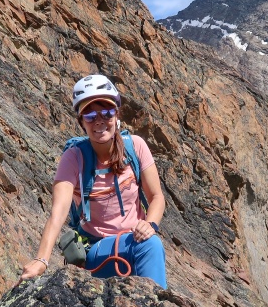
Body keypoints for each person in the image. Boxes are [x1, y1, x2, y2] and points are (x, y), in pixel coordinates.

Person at [20, 75, 167, 288]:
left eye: (106, 111)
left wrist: (150, 224)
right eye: (89, 114)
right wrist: (41, 259)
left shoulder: (136, 147)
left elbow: (156, 197)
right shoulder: (73, 158)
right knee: (150, 247)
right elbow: (58, 213)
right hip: (96, 250)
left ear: (117, 114)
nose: (99, 120)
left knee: (149, 244)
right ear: (81, 122)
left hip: (136, 241)